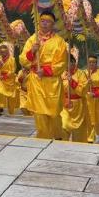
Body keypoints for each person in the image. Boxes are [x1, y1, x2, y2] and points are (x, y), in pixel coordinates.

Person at [19, 11, 67, 139]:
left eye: (47, 22)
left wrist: (46, 70)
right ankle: (42, 140)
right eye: (42, 21)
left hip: (53, 83)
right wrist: (32, 51)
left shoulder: (59, 42)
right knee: (39, 113)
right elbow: (23, 59)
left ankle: (58, 137)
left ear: (52, 24)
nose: (44, 24)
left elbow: (62, 63)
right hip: (36, 81)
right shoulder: (32, 40)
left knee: (54, 114)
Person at [60, 48, 90, 142]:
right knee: (63, 126)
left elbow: (83, 90)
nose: (66, 65)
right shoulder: (61, 74)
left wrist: (72, 82)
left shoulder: (81, 74)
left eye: (68, 62)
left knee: (78, 132)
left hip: (78, 106)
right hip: (65, 105)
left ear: (73, 62)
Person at [84, 54, 99, 143]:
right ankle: (90, 137)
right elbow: (81, 85)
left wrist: (96, 93)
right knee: (89, 117)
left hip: (98, 99)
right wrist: (87, 84)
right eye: (90, 62)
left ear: (96, 63)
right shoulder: (84, 73)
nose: (92, 64)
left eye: (93, 62)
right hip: (88, 98)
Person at [0, 43, 17, 115]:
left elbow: (13, 71)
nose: (3, 53)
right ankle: (0, 106)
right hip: (0, 79)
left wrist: (5, 76)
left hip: (9, 80)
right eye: (1, 52)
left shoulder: (12, 59)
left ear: (7, 51)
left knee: (11, 100)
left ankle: (11, 112)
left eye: (4, 51)